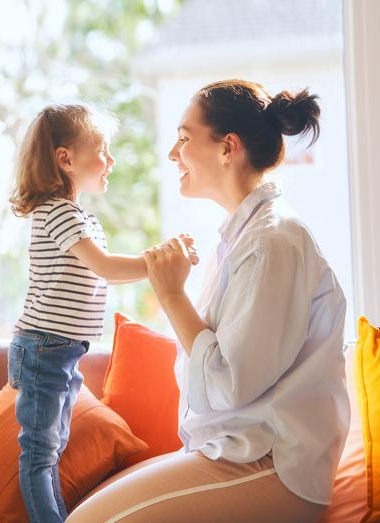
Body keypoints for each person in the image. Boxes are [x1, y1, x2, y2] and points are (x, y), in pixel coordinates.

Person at [67, 80, 350, 522]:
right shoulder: (244, 240)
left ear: (227, 148)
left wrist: (172, 294)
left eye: (183, 139)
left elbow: (227, 384)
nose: (171, 155)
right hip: (235, 452)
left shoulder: (272, 242)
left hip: (273, 465)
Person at [8, 103, 197, 523]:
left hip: (61, 350)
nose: (110, 161)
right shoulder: (57, 212)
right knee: (40, 452)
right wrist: (162, 259)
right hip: (43, 348)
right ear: (66, 159)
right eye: (102, 150)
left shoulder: (80, 218)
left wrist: (165, 256)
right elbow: (108, 267)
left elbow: (107, 274)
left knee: (51, 449)